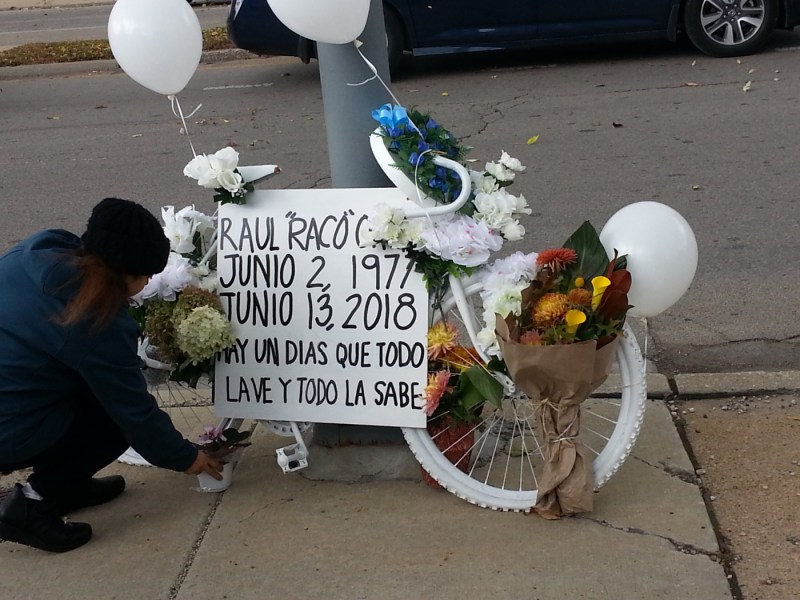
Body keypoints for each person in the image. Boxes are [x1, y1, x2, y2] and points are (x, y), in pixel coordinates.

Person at [0, 198, 223, 553]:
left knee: (87, 390)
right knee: (113, 423)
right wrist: (186, 458)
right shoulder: (94, 319)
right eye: (145, 276)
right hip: (8, 429)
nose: (147, 283)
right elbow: (133, 411)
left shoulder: (40, 250)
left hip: (16, 394)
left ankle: (67, 485)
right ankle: (31, 503)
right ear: (125, 273)